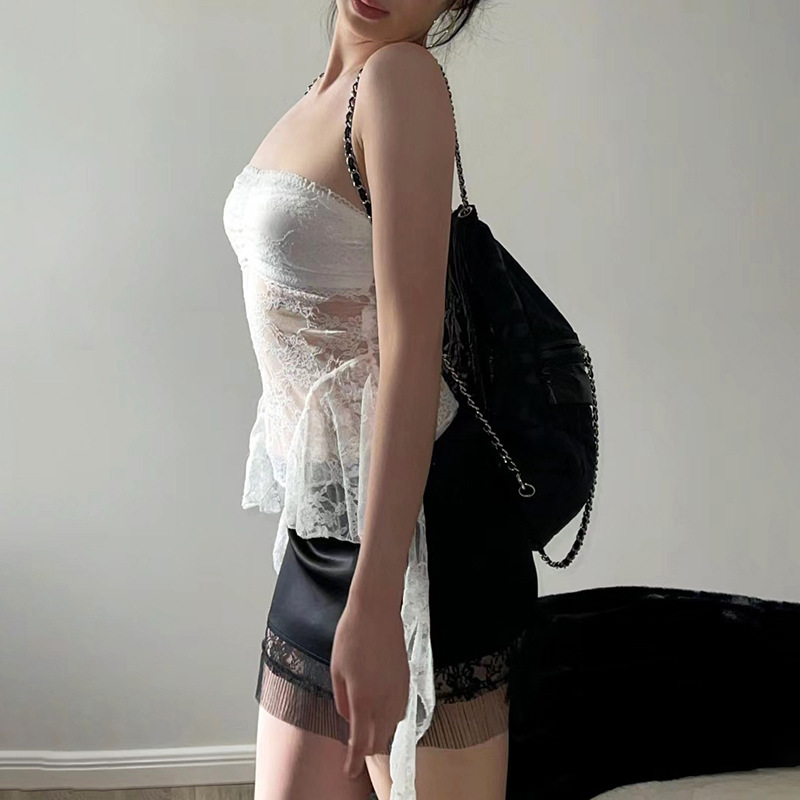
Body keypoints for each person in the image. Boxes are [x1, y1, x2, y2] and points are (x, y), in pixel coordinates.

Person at [222, 2, 539, 798]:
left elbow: (410, 352)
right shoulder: (321, 95)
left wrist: (376, 601)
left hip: (418, 544)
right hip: (323, 527)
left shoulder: (401, 81)